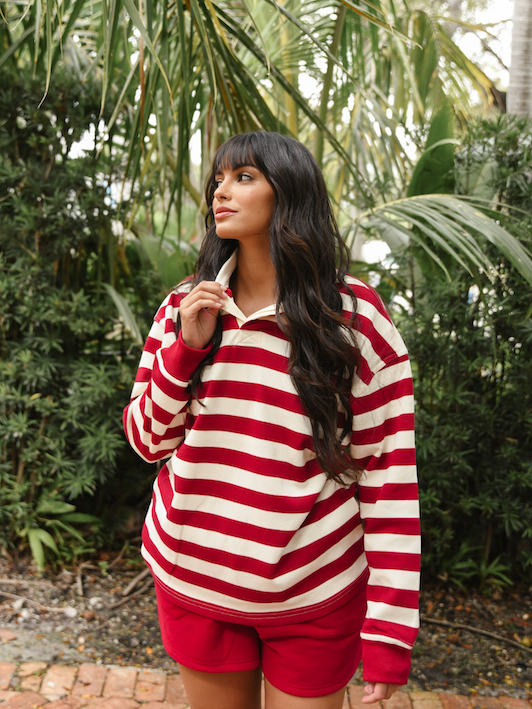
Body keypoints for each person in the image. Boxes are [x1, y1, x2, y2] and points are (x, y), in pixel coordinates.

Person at [123, 131, 420, 709]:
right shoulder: (186, 307)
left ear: (288, 194)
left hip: (313, 590)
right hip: (195, 576)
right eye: (217, 180)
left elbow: (389, 478)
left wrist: (388, 633)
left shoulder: (354, 318)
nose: (220, 193)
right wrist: (185, 349)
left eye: (243, 177)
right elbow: (146, 440)